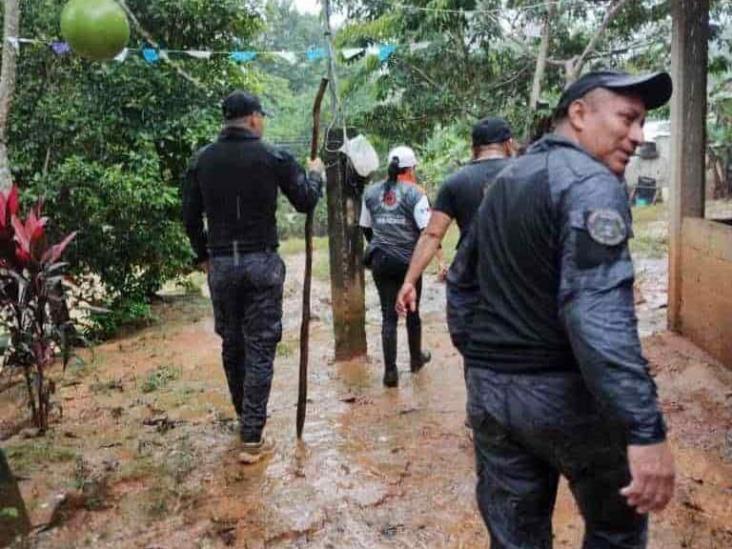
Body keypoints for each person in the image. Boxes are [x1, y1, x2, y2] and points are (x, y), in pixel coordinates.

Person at [464, 71, 676, 547]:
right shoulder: (592, 183)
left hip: (491, 396)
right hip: (566, 396)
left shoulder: (504, 180)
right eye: (628, 118)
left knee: (515, 538)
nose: (639, 136)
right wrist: (645, 429)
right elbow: (597, 316)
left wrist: (485, 362)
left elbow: (461, 283)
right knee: (616, 529)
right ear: (579, 114)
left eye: (643, 122)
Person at [182, 90, 324, 464]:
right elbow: (306, 200)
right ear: (254, 119)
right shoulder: (272, 155)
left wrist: (203, 256)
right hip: (261, 262)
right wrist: (315, 173)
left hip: (222, 266)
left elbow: (189, 216)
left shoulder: (202, 161)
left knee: (232, 343)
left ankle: (244, 417)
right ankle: (251, 437)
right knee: (260, 346)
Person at [396, 117, 514, 356]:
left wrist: (410, 281)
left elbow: (432, 234)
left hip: (474, 277)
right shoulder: (529, 174)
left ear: (473, 149)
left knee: (478, 353)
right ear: (509, 144)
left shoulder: (455, 182)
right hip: (519, 276)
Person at [359, 146, 432, 387]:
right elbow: (426, 231)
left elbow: (366, 228)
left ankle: (390, 373)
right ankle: (415, 360)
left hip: (381, 260)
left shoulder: (370, 193)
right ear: (410, 168)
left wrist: (382, 245)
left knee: (387, 316)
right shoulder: (415, 195)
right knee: (412, 311)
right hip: (408, 262)